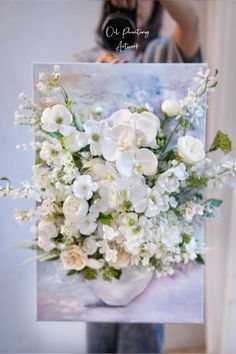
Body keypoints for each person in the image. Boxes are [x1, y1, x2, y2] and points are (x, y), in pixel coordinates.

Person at [76, 1, 202, 352]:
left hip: (151, 225)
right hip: (99, 225)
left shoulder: (164, 52)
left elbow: (191, 21)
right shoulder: (86, 60)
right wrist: (97, 82)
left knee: (142, 337)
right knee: (99, 336)